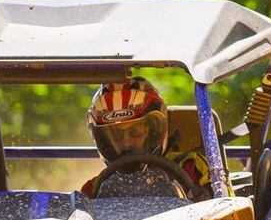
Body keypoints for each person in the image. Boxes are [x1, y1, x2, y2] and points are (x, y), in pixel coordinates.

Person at [81, 77, 215, 199]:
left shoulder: (192, 167)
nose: (126, 143)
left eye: (135, 132)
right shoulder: (93, 189)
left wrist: (206, 201)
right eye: (116, 136)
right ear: (103, 141)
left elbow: (228, 210)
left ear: (155, 131)